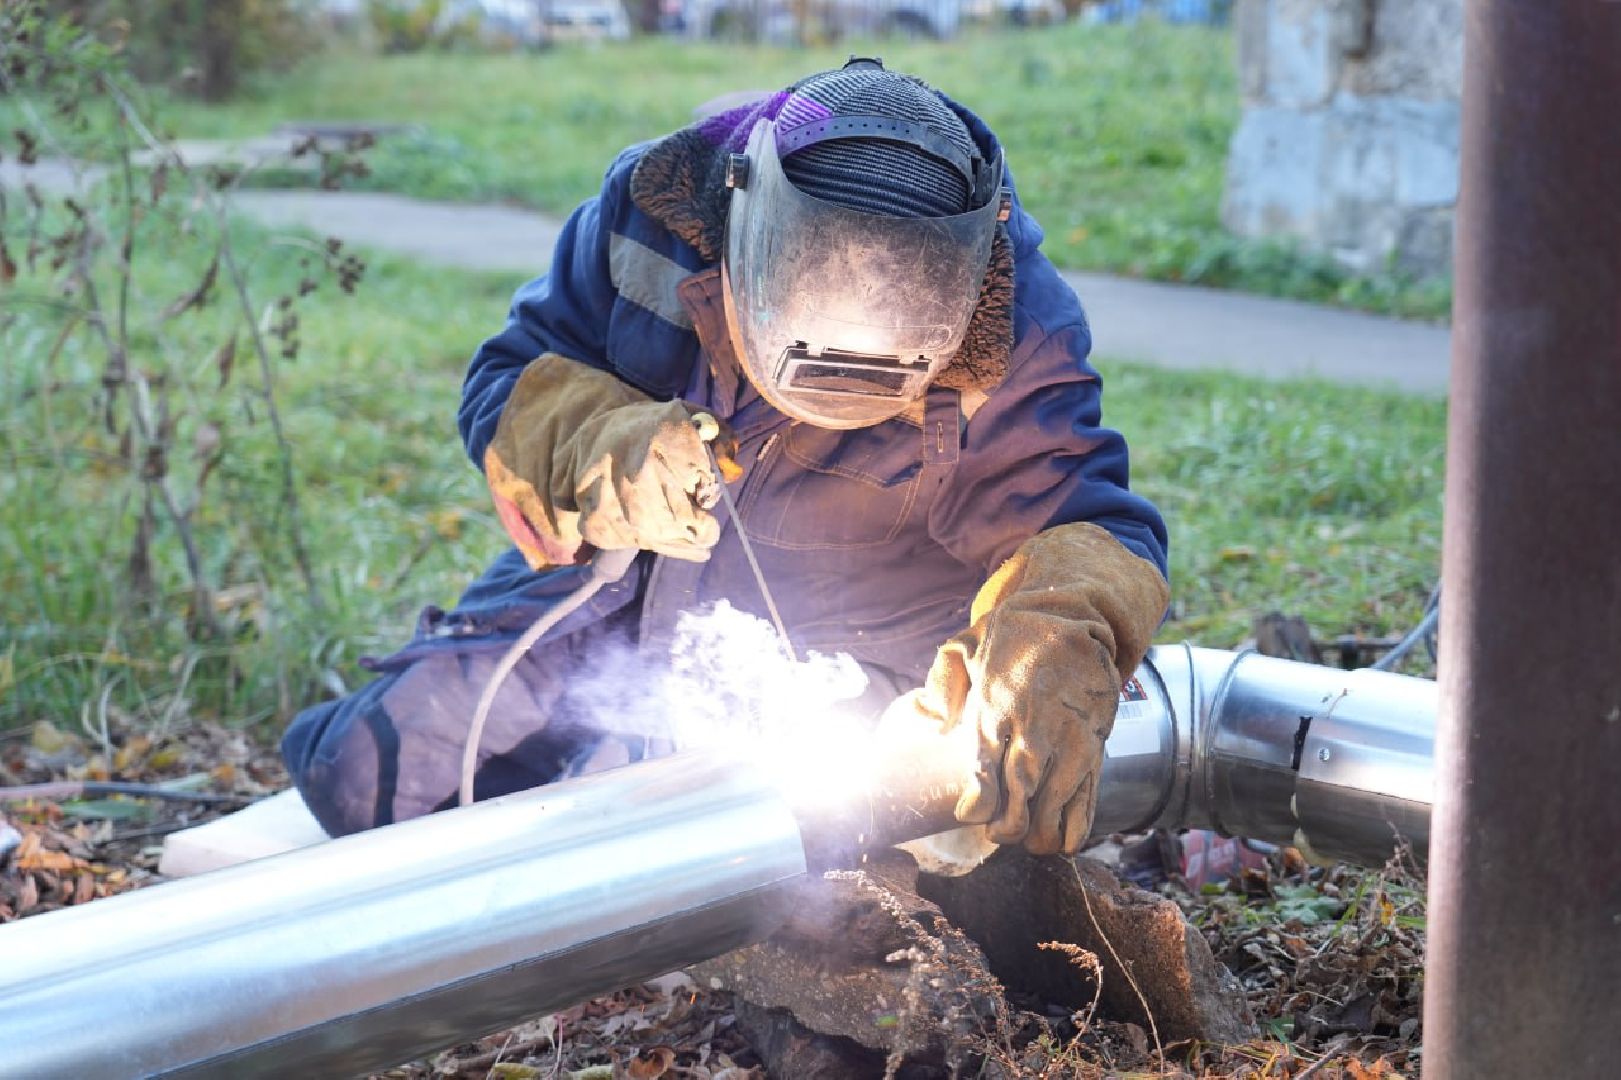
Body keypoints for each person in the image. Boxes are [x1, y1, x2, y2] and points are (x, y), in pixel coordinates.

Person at [282, 59, 1170, 859]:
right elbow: (510, 371)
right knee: (364, 776)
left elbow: (1084, 523)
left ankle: (613, 796)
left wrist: (1050, 644)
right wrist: (596, 437)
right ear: (741, 223)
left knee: (651, 836)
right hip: (615, 601)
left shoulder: (1012, 323)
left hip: (844, 655)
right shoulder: (652, 215)